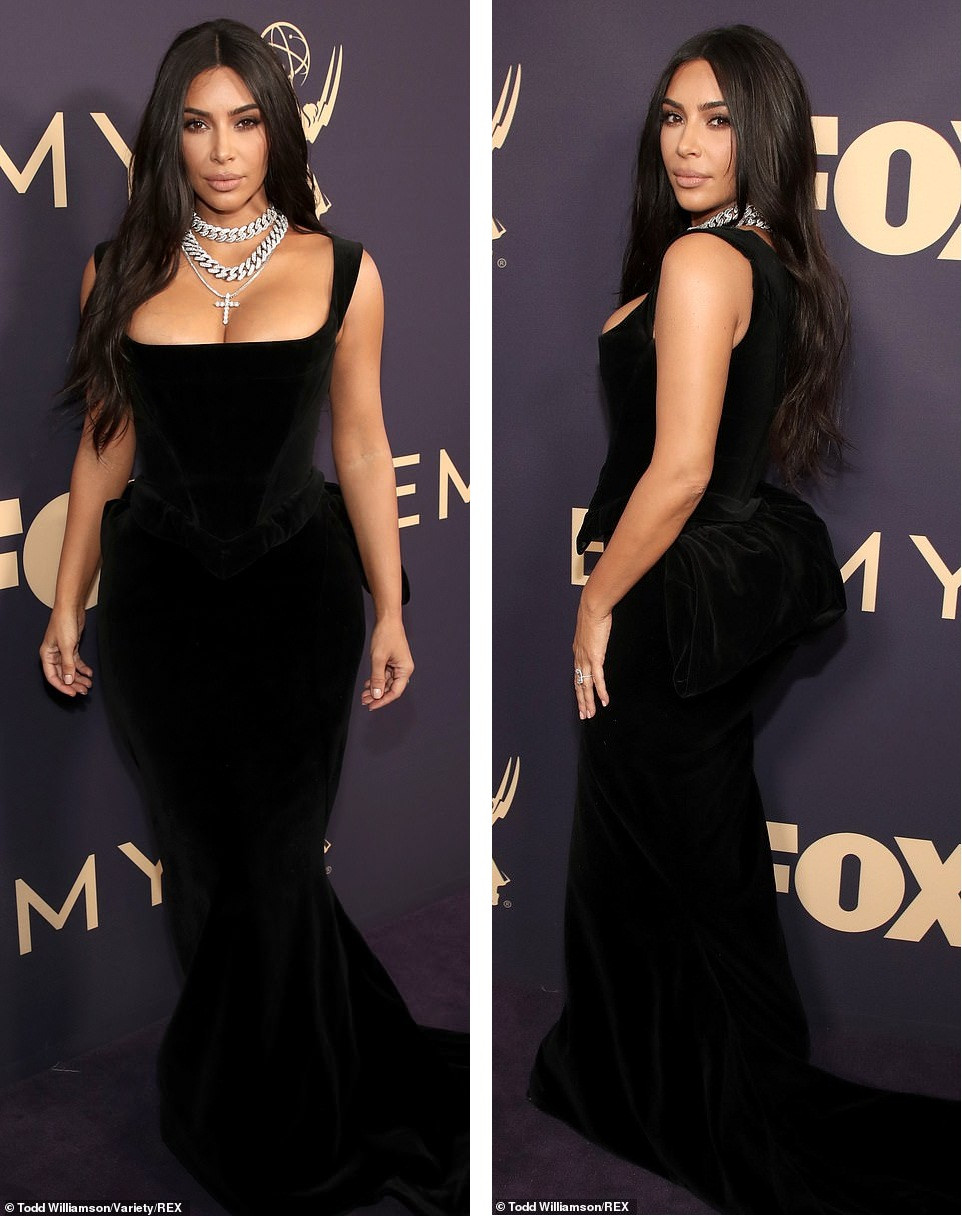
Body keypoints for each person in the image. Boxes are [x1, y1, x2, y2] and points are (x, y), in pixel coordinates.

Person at [39, 19, 466, 1216]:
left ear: (279, 128)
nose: (223, 151)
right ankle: (246, 1094)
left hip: (296, 604)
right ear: (167, 136)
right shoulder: (116, 271)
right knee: (204, 868)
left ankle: (288, 1110)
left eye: (244, 122)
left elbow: (363, 445)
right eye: (196, 124)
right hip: (161, 614)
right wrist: (67, 602)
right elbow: (104, 449)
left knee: (276, 866)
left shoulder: (344, 270)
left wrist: (391, 606)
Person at [528, 24, 957, 1214]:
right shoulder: (756, 252)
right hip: (700, 599)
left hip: (659, 603)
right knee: (686, 863)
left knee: (661, 865)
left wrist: (594, 604)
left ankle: (700, 1096)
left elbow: (674, 473)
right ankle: (670, 1078)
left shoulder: (699, 262)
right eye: (672, 117)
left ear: (760, 133)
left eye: (716, 120)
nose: (686, 142)